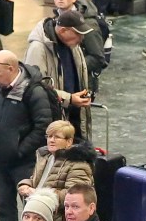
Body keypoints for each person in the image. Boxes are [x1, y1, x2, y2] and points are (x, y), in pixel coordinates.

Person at [0, 50, 54, 221]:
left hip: (24, 162)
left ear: (11, 69)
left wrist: (21, 150)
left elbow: (43, 126)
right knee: (4, 205)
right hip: (1, 160)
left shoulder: (33, 92)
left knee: (30, 207)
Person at [24, 10, 94, 142]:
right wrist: (69, 99)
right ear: (63, 31)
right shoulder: (38, 49)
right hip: (54, 124)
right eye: (78, 34)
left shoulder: (73, 45)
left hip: (74, 118)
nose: (81, 38)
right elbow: (35, 89)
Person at [16, 120, 96, 221]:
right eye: (49, 136)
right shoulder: (45, 157)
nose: (51, 140)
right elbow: (37, 180)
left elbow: (74, 196)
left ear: (69, 141)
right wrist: (25, 185)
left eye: (57, 137)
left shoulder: (78, 164)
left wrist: (39, 194)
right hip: (38, 216)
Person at [48, 0, 108, 78]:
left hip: (82, 79)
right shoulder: (57, 18)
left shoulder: (87, 23)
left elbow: (98, 57)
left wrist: (71, 68)